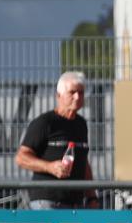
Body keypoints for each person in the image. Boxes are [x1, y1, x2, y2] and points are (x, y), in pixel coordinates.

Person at [15, 71, 99, 209]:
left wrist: (91, 196)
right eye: (72, 92)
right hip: (47, 200)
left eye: (81, 93)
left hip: (75, 203)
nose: (77, 97)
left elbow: (83, 161)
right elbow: (21, 157)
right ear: (59, 96)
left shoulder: (81, 124)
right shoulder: (45, 122)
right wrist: (50, 167)